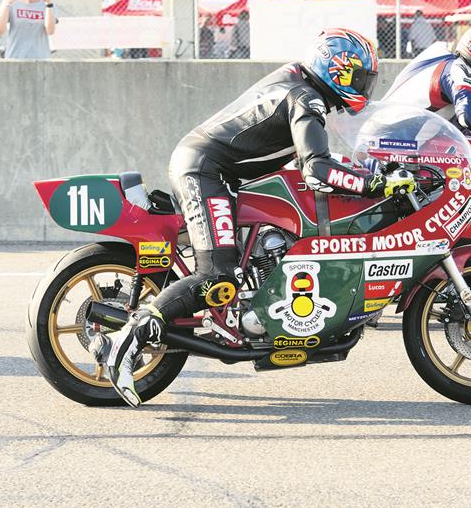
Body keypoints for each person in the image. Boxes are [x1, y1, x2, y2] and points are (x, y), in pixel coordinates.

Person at [89, 28, 414, 407]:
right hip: (206, 170)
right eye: (360, 77)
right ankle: (127, 342)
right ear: (336, 71)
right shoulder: (306, 98)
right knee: (217, 276)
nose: (364, 86)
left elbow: (312, 156)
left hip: (217, 170)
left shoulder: (303, 88)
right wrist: (376, 183)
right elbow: (318, 169)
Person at [382, 22, 471, 154]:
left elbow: (462, 128)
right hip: (391, 148)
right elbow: (469, 115)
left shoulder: (441, 57)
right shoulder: (457, 68)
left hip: (387, 140)